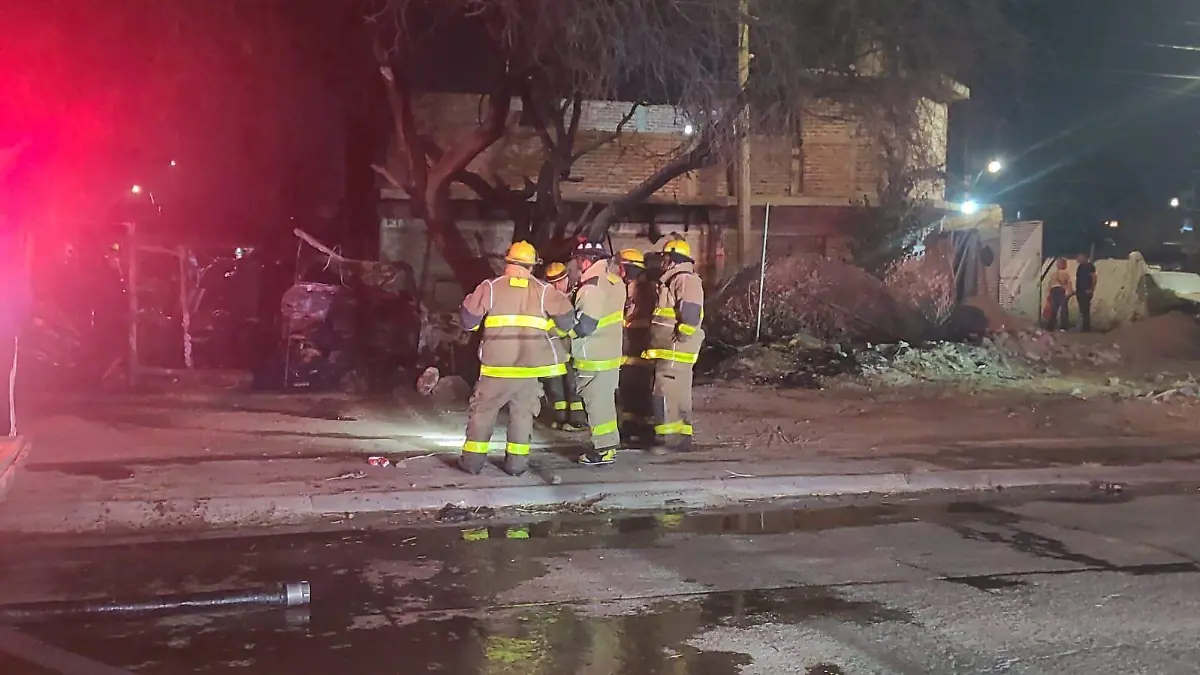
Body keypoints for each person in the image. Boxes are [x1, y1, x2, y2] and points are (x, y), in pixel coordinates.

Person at [458, 241, 576, 476]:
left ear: (507, 262)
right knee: (522, 416)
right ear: (532, 266)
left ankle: (472, 464)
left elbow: (468, 321)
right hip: (528, 371)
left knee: (483, 414)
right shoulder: (544, 291)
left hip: (495, 370)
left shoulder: (490, 288)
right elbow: (567, 322)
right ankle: (516, 466)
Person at [569, 240, 627, 466]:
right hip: (610, 353)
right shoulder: (614, 282)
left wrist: (561, 330)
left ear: (586, 261)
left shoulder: (591, 287)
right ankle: (609, 443)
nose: (576, 265)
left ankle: (604, 450)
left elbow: (585, 326)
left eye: (577, 260)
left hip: (593, 355)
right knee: (604, 402)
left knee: (596, 403)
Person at [644, 238, 704, 451]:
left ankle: (669, 439)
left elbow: (691, 314)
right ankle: (682, 437)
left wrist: (681, 336)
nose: (662, 262)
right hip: (672, 349)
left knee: (665, 391)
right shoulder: (675, 279)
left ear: (673, 259)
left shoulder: (684, 279)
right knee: (678, 392)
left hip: (675, 349)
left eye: (665, 258)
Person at [540, 262, 587, 431]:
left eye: (560, 281)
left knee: (573, 386)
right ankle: (560, 419)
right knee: (556, 388)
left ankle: (576, 420)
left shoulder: (575, 295)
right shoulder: (546, 298)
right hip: (553, 350)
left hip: (570, 350)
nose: (557, 285)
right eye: (553, 282)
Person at [616, 248, 654, 442]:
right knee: (629, 390)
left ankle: (643, 428)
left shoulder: (645, 291)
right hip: (630, 350)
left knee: (639, 390)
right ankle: (631, 425)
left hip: (639, 348)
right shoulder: (628, 288)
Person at [0, 232, 31, 437]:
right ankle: (3, 427)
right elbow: (26, 303)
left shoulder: (14, 274)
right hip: (7, 333)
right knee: (4, 380)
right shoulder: (15, 273)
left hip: (8, 330)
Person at [1046, 257, 1073, 331]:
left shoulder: (1058, 274)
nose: (1058, 264)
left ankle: (1052, 326)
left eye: (1059, 263)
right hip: (1058, 290)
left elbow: (1050, 284)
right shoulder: (1062, 274)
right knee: (1061, 308)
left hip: (1057, 290)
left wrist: (1048, 293)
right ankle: (1062, 326)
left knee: (1056, 308)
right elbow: (1068, 283)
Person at [1076, 252, 1097, 332]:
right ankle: (1082, 326)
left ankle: (1086, 327)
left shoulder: (1089, 266)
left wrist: (1091, 289)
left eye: (1079, 257)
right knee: (1082, 309)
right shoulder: (1080, 267)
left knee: (1085, 309)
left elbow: (1093, 277)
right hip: (1080, 291)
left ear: (1084, 257)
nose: (1077, 259)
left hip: (1086, 290)